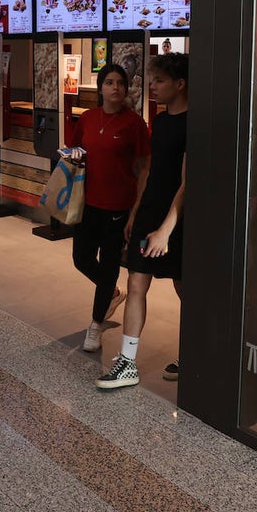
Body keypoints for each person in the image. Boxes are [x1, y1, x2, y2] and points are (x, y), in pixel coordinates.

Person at [96, 53, 187, 389]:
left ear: (180, 84)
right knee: (136, 283)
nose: (153, 86)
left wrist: (166, 229)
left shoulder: (194, 123)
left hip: (176, 218)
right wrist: (136, 211)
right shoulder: (160, 121)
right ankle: (127, 362)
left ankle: (195, 352)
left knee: (184, 288)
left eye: (159, 80)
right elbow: (151, 171)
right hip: (149, 210)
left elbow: (186, 182)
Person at [67, 64, 150, 354]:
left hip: (119, 206)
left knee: (110, 264)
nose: (116, 87)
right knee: (81, 258)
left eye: (121, 83)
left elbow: (144, 167)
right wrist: (72, 157)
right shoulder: (88, 118)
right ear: (100, 88)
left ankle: (96, 323)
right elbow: (76, 150)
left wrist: (137, 208)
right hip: (87, 202)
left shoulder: (134, 123)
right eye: (110, 82)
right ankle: (111, 291)